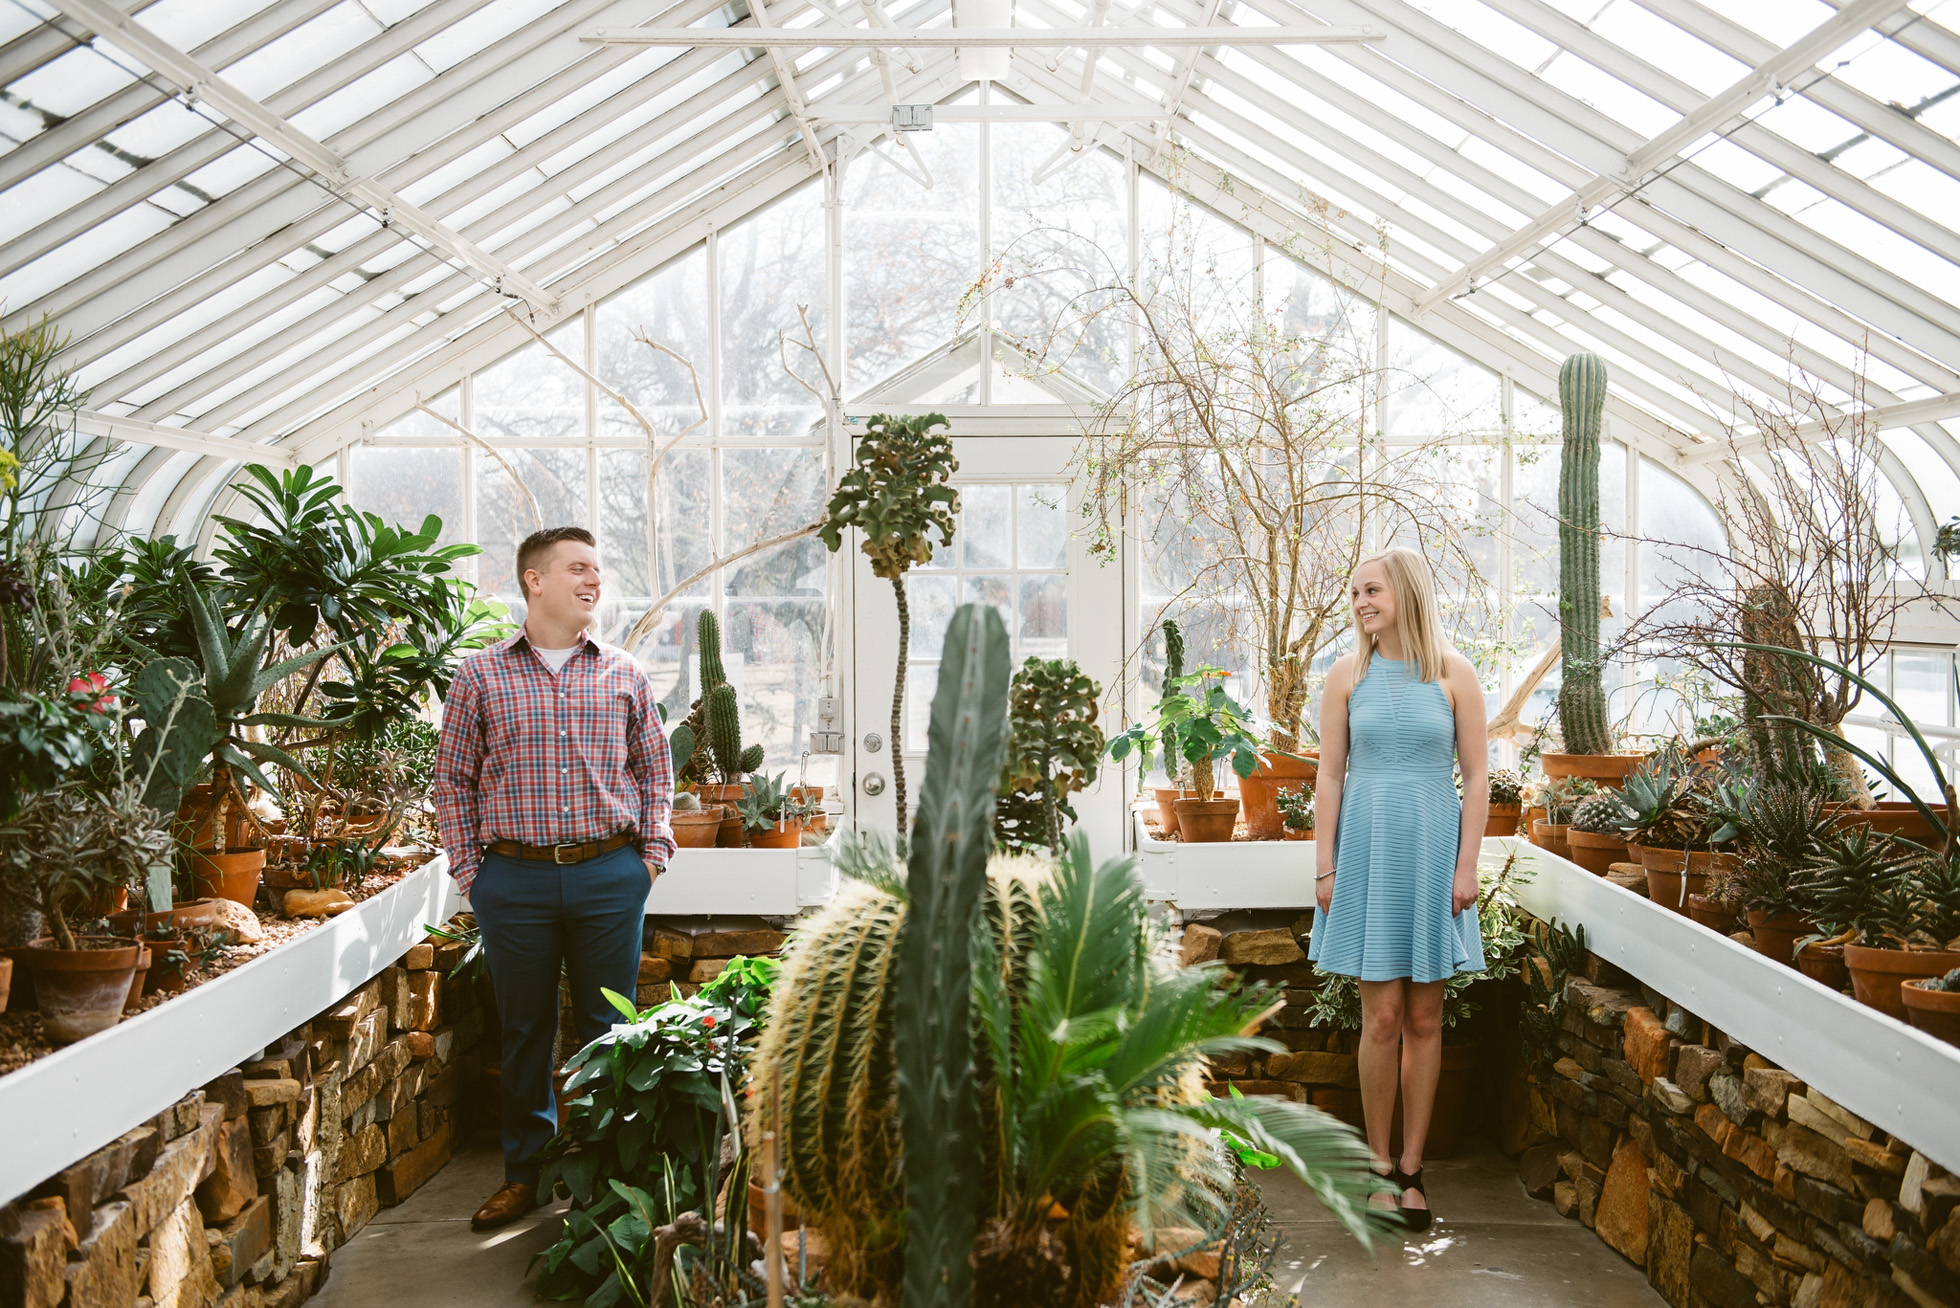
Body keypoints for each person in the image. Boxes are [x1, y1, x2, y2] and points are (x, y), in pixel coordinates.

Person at [433, 526, 676, 1231]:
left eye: (596, 568)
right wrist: (473, 873)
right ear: (534, 581)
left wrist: (648, 860)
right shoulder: (480, 676)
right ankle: (526, 1177)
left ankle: (604, 1180)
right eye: (577, 568)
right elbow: (452, 781)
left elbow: (655, 773)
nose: (593, 579)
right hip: (514, 880)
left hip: (610, 874)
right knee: (525, 1032)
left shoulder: (625, 673)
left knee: (609, 1032)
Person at [1308, 546, 1487, 1232]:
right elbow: (1329, 775)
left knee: (1425, 1020)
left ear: (1405, 593)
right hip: (1367, 854)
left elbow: (1478, 777)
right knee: (1381, 1018)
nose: (1360, 603)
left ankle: (1414, 1169)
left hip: (1434, 853)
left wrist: (1466, 866)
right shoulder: (1346, 675)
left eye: (1372, 590)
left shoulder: (1455, 674)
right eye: (1355, 593)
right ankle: (1378, 1168)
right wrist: (1325, 866)